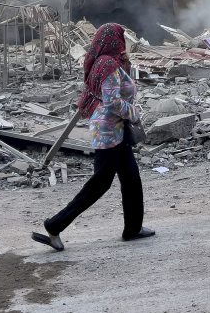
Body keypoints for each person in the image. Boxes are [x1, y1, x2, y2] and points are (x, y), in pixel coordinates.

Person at [31, 23, 154, 251]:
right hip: (109, 132)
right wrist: (135, 114)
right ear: (113, 39)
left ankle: (133, 228)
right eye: (121, 37)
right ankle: (55, 224)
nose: (124, 41)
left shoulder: (107, 60)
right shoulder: (107, 64)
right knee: (100, 184)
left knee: (131, 179)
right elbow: (112, 101)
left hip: (115, 130)